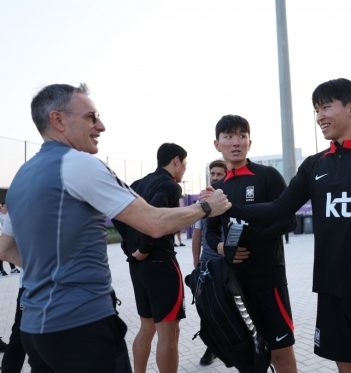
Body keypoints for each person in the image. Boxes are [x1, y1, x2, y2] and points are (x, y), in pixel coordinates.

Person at [0, 83, 230, 373]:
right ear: (58, 120)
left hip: (35, 331)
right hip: (82, 328)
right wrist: (207, 208)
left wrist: (53, 270)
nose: (101, 126)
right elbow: (154, 223)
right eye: (90, 117)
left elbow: (6, 249)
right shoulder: (79, 164)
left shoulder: (21, 177)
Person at [221, 80, 351, 373]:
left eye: (326, 107)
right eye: (316, 110)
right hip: (330, 290)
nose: (320, 117)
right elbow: (279, 209)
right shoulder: (314, 165)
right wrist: (227, 206)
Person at [206, 115, 298, 373]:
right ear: (217, 144)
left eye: (242, 136)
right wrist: (222, 248)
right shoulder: (217, 189)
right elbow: (211, 232)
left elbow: (290, 220)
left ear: (250, 141)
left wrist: (255, 236)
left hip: (269, 278)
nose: (236, 142)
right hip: (235, 284)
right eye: (229, 137)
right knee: (249, 354)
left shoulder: (267, 176)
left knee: (281, 351)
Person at [112, 142, 190, 373]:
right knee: (169, 333)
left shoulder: (139, 183)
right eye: (184, 164)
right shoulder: (171, 186)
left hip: (139, 267)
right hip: (161, 264)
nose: (184, 169)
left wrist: (130, 246)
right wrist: (144, 247)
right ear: (176, 160)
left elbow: (118, 213)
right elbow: (155, 212)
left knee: (147, 328)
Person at [191, 158, 227, 366]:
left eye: (218, 174)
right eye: (212, 174)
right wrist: (196, 265)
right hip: (207, 264)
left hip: (230, 263)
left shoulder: (232, 199)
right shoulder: (201, 203)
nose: (214, 178)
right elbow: (197, 236)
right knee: (208, 308)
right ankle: (211, 347)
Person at [0, 203, 18, 277]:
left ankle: (13, 268)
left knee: (9, 252)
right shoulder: (1, 216)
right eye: (3, 206)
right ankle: (1, 270)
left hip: (7, 237)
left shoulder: (9, 215)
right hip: (2, 237)